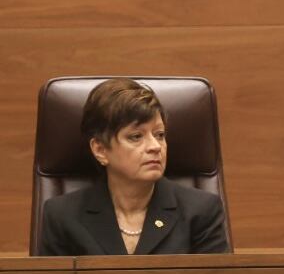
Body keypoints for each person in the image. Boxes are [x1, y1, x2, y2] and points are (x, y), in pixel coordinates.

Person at [39, 78, 229, 256]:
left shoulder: (201, 212)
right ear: (100, 150)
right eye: (136, 136)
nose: (155, 146)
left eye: (160, 135)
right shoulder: (62, 217)